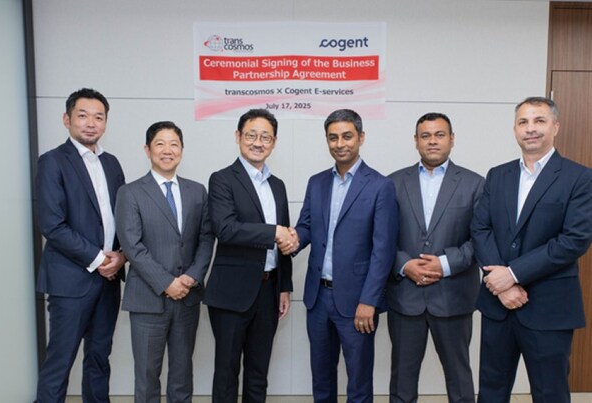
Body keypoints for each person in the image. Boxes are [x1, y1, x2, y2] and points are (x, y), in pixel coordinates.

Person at [471, 97, 592, 403]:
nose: (531, 129)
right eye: (523, 122)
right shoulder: (498, 175)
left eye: (539, 121)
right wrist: (501, 285)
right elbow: (480, 229)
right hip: (498, 305)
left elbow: (574, 240)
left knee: (550, 394)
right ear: (515, 129)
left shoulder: (579, 177)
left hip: (549, 307)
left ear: (555, 127)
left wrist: (512, 274)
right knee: (491, 391)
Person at [294, 109, 398, 403]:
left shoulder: (380, 186)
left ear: (361, 138)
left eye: (347, 136)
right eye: (333, 137)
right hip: (317, 298)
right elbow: (306, 226)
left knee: (358, 383)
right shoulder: (317, 182)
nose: (340, 144)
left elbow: (383, 251)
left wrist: (369, 301)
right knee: (321, 379)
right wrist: (292, 239)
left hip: (357, 302)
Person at [35, 88, 126, 403]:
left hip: (109, 281)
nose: (91, 123)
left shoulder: (112, 164)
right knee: (60, 362)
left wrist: (121, 256)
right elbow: (53, 225)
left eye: (98, 117)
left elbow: (122, 218)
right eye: (83, 115)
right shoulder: (52, 162)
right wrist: (100, 259)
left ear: (105, 123)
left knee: (99, 359)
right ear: (67, 119)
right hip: (71, 281)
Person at [386, 112, 484, 403]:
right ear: (416, 141)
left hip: (453, 296)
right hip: (405, 297)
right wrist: (404, 264)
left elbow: (481, 239)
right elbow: (381, 238)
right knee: (402, 382)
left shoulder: (475, 184)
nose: (432, 141)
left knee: (459, 380)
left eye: (439, 135)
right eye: (425, 136)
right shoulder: (392, 183)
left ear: (452, 139)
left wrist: (444, 263)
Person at [115, 121, 214, 403]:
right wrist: (166, 282)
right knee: (147, 377)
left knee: (182, 376)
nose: (167, 150)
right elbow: (132, 246)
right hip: (148, 299)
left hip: (187, 297)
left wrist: (192, 277)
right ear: (147, 150)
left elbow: (206, 238)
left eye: (174, 144)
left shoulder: (197, 191)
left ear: (182, 150)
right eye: (160, 144)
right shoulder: (130, 192)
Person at [203, 109, 295, 403]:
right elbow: (226, 229)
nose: (258, 142)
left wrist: (284, 286)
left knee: (258, 373)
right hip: (231, 293)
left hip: (268, 292)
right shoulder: (222, 179)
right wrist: (274, 232)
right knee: (227, 373)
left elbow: (284, 239)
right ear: (238, 136)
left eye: (265, 137)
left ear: (274, 142)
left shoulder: (277, 185)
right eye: (251, 135)